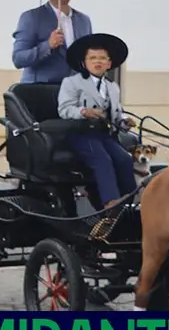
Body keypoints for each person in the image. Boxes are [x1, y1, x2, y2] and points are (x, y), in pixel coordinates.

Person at [57, 32, 137, 209]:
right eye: (92, 58)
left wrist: (124, 121)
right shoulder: (72, 83)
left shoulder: (113, 87)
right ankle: (111, 203)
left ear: (109, 63)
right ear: (85, 62)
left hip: (105, 135)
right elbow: (64, 109)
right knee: (102, 159)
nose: (97, 62)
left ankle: (131, 201)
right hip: (81, 134)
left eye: (102, 58)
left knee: (124, 159)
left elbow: (116, 114)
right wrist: (84, 112)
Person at [11, 0, 94, 84]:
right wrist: (48, 45)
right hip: (40, 90)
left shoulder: (83, 21)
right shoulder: (32, 18)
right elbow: (18, 59)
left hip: (73, 93)